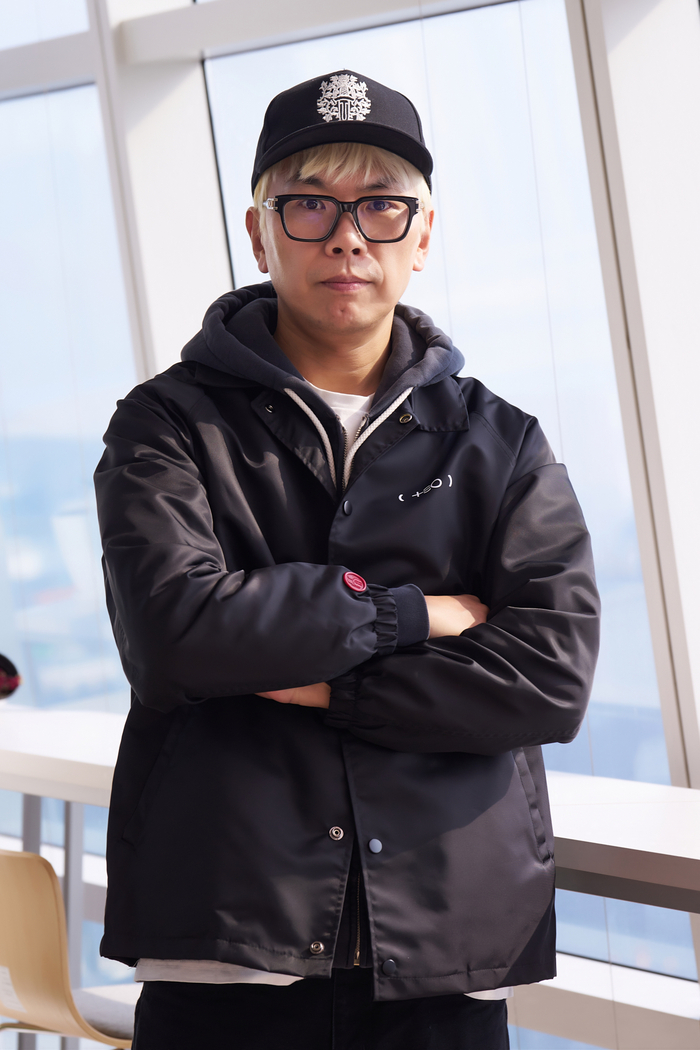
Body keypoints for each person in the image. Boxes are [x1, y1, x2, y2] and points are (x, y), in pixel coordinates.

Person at [95, 70, 600, 1049]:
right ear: (260, 234)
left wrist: (326, 684)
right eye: (310, 205)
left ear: (423, 233)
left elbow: (550, 676)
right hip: (227, 939)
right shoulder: (166, 423)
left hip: (445, 945)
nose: (347, 237)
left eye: (380, 206)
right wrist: (414, 615)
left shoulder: (501, 442)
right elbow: (174, 637)